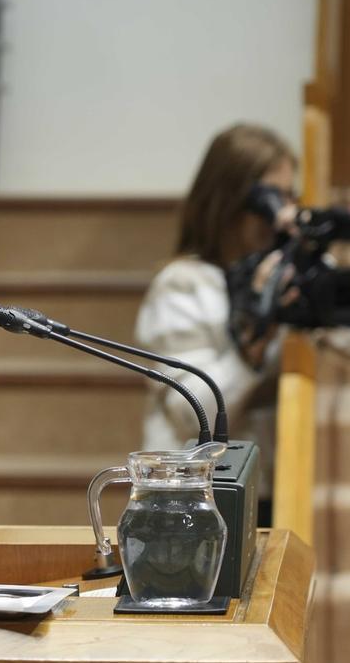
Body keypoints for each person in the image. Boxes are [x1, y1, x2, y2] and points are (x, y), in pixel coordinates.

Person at [134, 124, 299, 459]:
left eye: (290, 196)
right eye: (269, 198)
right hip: (196, 491)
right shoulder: (183, 284)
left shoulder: (284, 279)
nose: (280, 214)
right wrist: (250, 347)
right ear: (229, 202)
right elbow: (192, 415)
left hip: (265, 484)